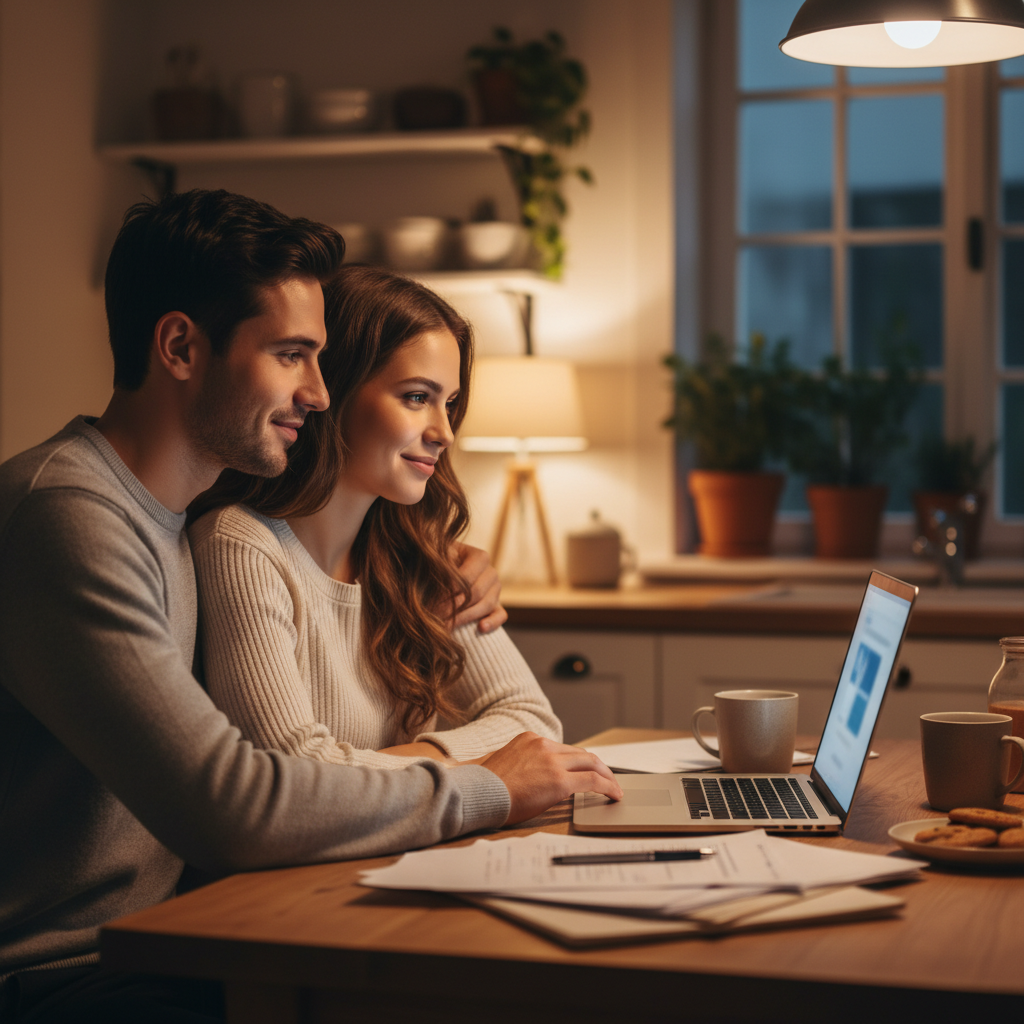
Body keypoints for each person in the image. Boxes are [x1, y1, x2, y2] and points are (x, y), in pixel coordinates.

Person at [0, 189, 622, 1022]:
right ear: (181, 346)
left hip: (172, 934)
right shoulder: (70, 517)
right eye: (292, 353)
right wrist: (486, 785)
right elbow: (234, 806)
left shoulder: (171, 519)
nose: (321, 394)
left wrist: (442, 557)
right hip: (65, 972)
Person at [189, 264, 561, 769]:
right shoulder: (241, 545)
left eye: (448, 403)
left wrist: (425, 757)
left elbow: (534, 721)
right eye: (416, 397)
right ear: (332, 391)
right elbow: (298, 771)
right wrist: (473, 764)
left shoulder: (417, 552)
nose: (444, 432)